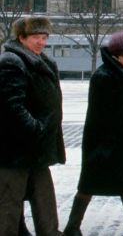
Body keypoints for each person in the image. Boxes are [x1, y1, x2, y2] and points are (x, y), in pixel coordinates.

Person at [62, 31, 123, 236]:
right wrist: (108, 143)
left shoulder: (116, 73)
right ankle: (72, 227)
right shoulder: (106, 76)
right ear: (119, 55)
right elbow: (101, 115)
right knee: (91, 184)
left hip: (119, 142)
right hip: (107, 143)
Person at [0, 16, 64, 235]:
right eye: (36, 37)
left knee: (45, 203)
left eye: (44, 37)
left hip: (37, 149)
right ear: (21, 37)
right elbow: (11, 106)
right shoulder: (11, 61)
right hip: (15, 152)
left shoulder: (42, 60)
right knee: (8, 206)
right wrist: (36, 128)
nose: (41, 42)